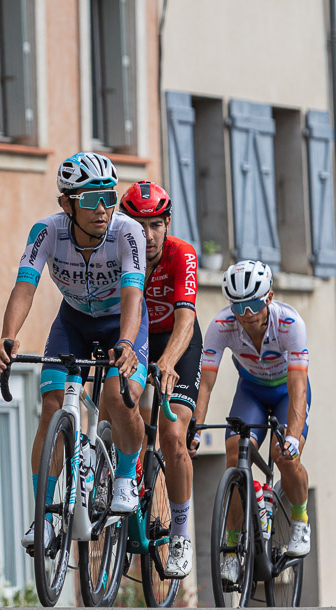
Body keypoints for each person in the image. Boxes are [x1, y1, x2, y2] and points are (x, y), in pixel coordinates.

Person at [0, 152, 148, 548]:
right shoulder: (47, 231)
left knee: (117, 395)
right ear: (67, 203)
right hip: (73, 322)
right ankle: (43, 517)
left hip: (122, 322)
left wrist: (127, 343)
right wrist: (7, 337)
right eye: (91, 200)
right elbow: (25, 287)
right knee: (51, 406)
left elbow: (132, 294)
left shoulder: (128, 232)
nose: (103, 210)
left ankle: (127, 475)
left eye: (109, 198)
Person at [190, 260, 313, 584]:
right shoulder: (221, 326)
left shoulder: (290, 324)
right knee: (234, 455)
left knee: (285, 456)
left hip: (288, 390)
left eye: (254, 304)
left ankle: (300, 520)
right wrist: (195, 427)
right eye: (239, 306)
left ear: (269, 298)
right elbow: (205, 383)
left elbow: (299, 385)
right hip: (253, 393)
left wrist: (294, 435)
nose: (246, 314)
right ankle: (231, 549)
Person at [120, 180, 200, 578]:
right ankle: (126, 473)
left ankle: (182, 534)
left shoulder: (181, 254)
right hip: (137, 334)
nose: (147, 235)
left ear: (167, 223)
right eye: (138, 225)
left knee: (171, 434)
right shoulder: (119, 251)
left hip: (176, 337)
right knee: (116, 405)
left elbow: (186, 318)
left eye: (155, 225)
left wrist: (168, 361)